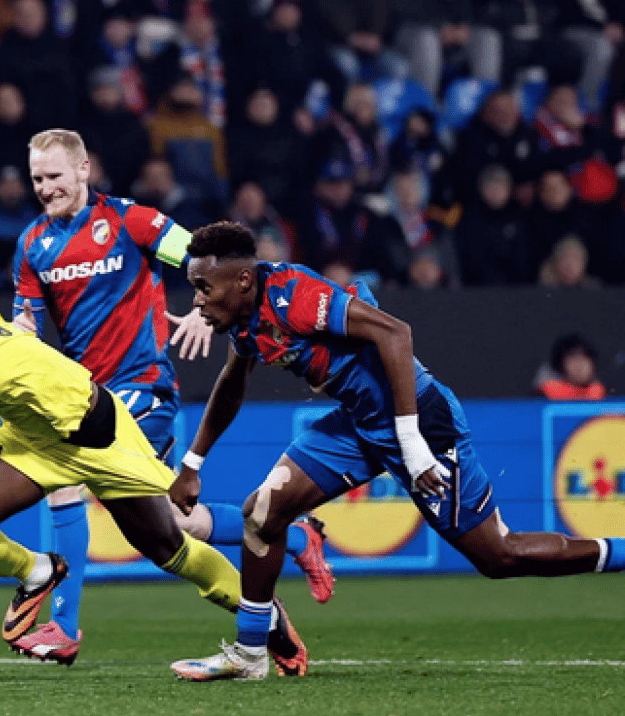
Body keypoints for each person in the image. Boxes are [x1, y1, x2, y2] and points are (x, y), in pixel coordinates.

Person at [168, 222, 625, 682]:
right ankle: (250, 655)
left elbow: (396, 334)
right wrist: (192, 464)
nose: (197, 300)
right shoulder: (245, 320)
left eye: (204, 287)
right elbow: (231, 384)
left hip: (419, 421)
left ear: (242, 280)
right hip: (359, 423)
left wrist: (413, 443)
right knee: (263, 512)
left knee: (500, 557)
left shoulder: (294, 296)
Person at [0, 299, 308, 676]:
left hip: (93, 428)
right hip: (29, 433)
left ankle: (264, 619)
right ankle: (40, 570)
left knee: (169, 544)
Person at [9, 130, 333, 666]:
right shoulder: (32, 244)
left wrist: (205, 311)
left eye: (55, 177)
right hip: (83, 395)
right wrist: (17, 338)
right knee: (175, 523)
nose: (45, 188)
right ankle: (295, 539)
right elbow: (27, 319)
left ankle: (63, 629)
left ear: (83, 169)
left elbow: (203, 261)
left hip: (142, 387)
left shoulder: (129, 220)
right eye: (37, 179)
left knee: (64, 483)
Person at [533, 333, 606, 400]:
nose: (579, 365)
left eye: (584, 359)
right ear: (560, 364)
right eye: (573, 359)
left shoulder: (602, 394)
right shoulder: (544, 395)